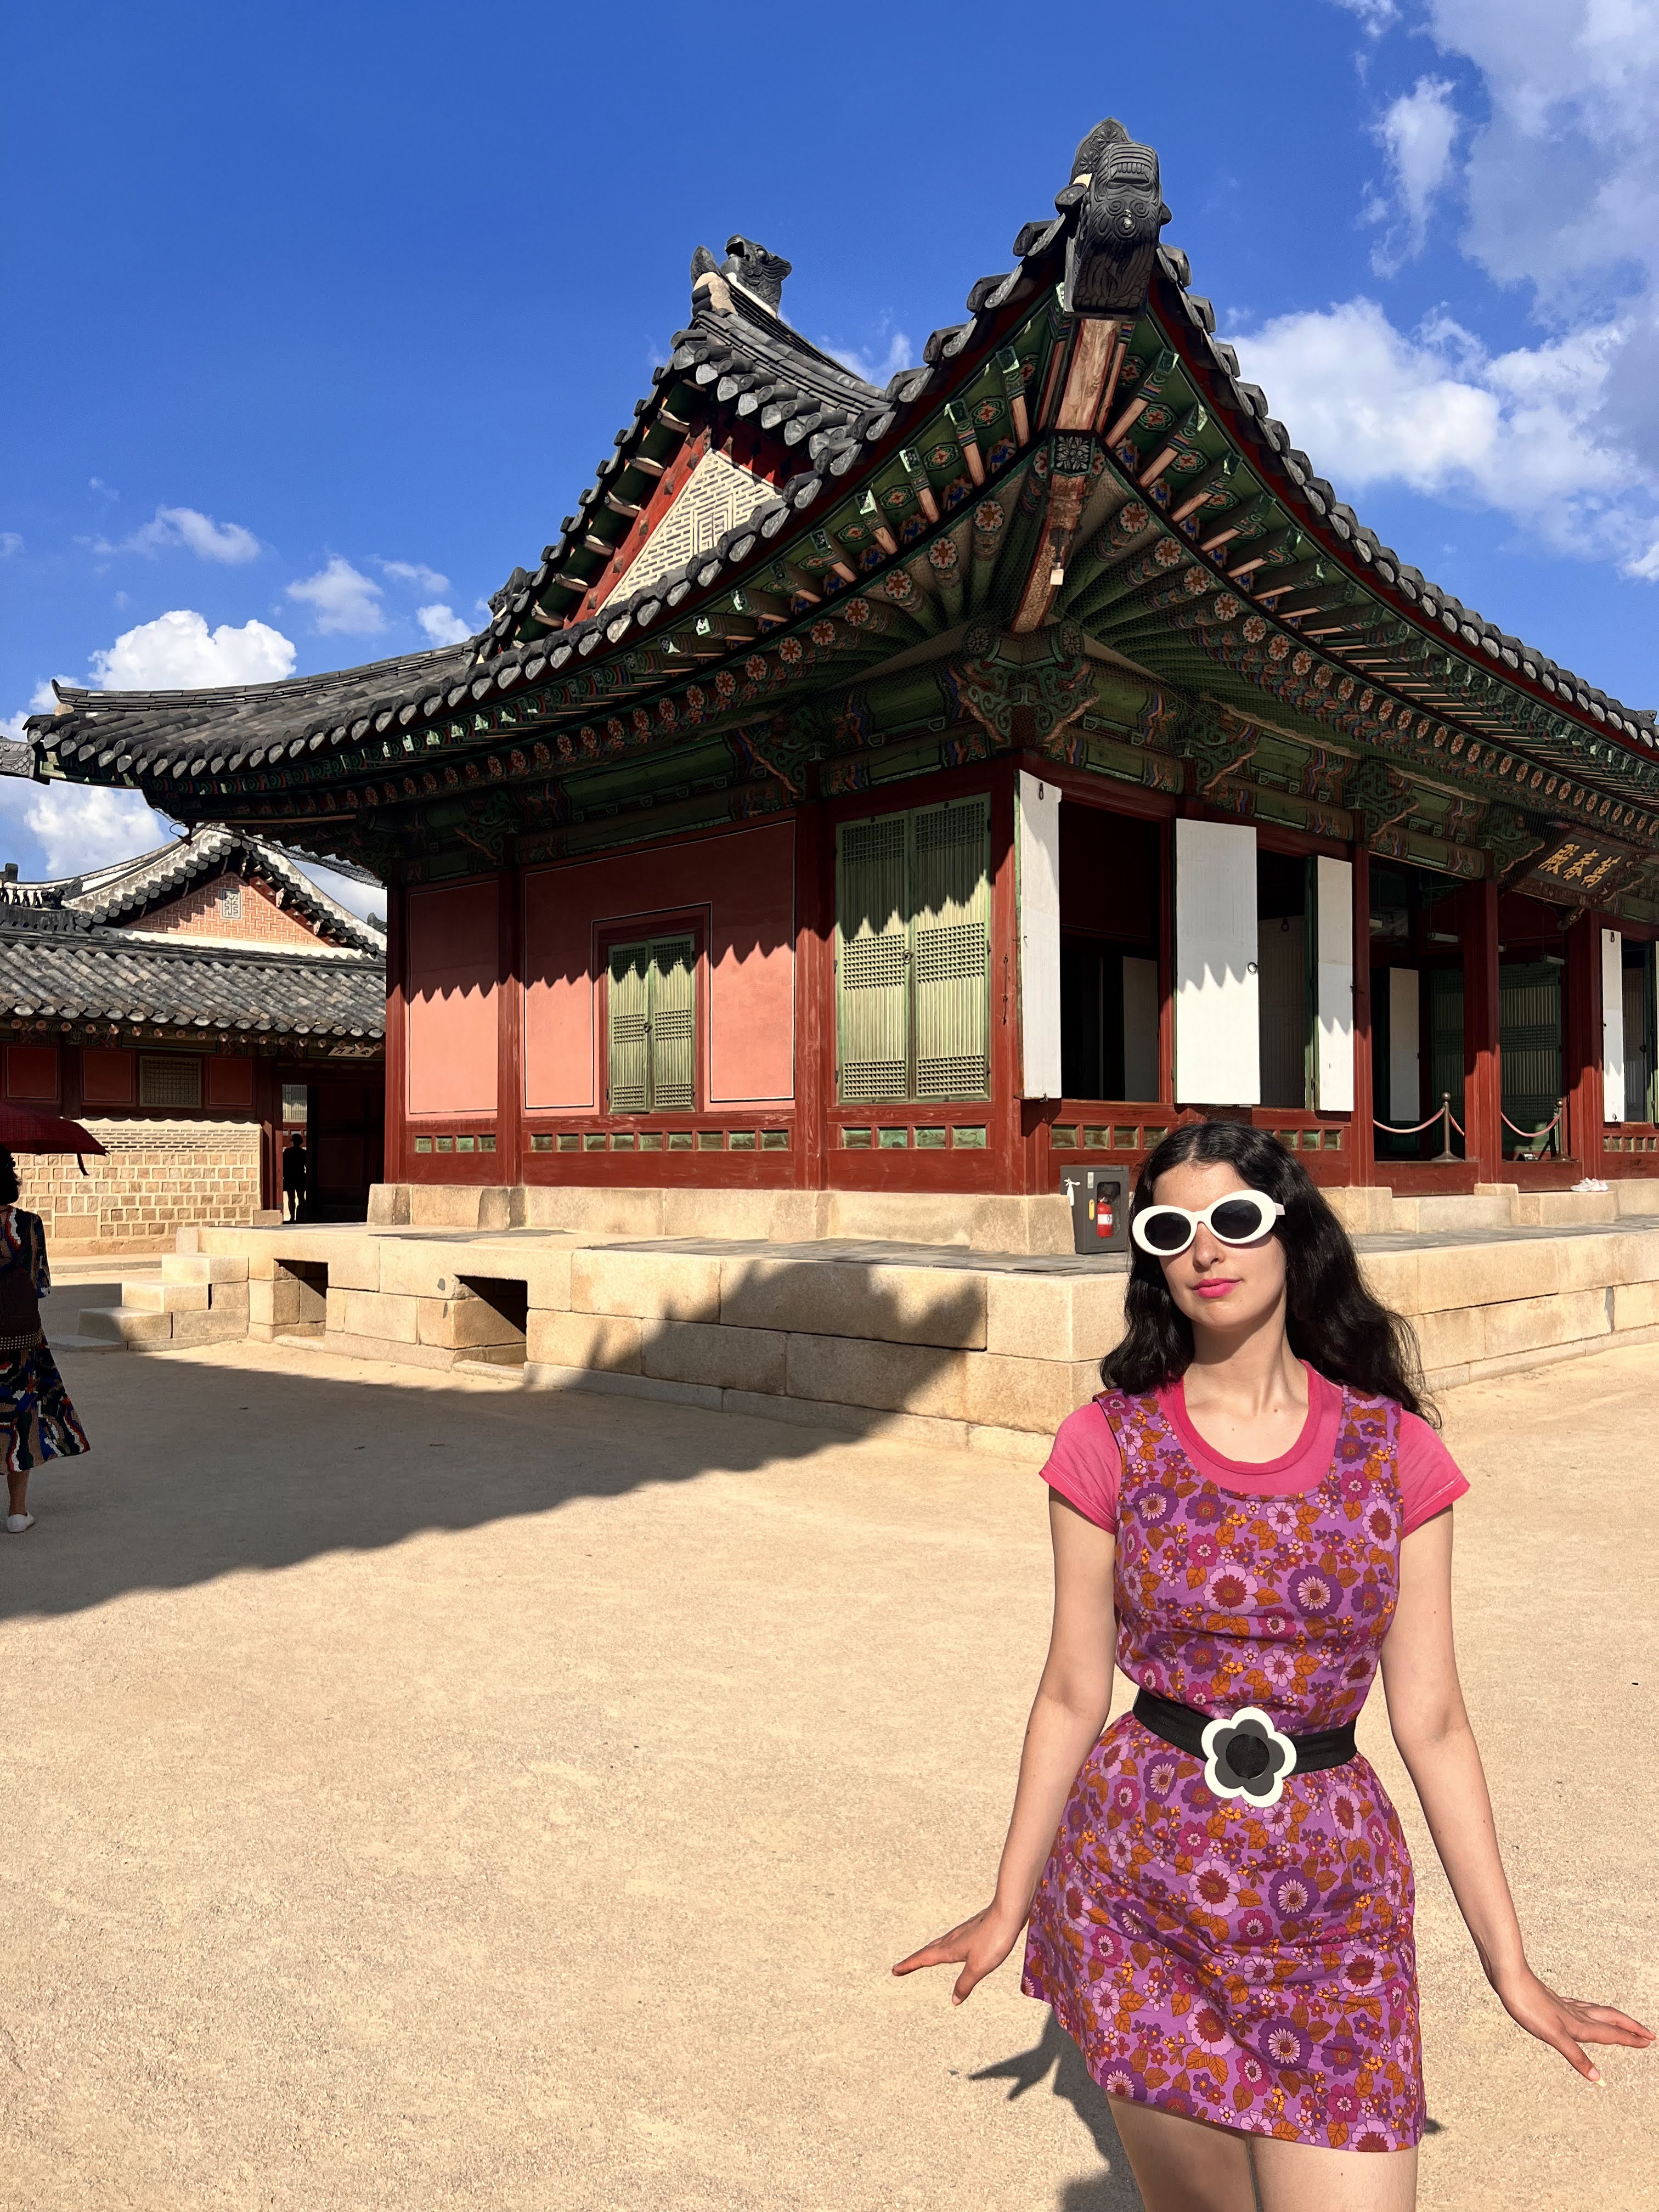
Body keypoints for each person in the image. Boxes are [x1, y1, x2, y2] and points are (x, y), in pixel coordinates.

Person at [895, 1120, 1650, 2210]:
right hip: (1140, 1886)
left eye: (1235, 1219)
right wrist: (1009, 1900)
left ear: (1294, 1234)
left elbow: (1432, 1720)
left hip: (1334, 1904)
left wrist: (1511, 1969)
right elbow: (1071, 1690)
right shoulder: (1106, 1442)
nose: (1204, 1250)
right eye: (1171, 1231)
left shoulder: (1396, 1452)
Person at [0, 1145, 90, 1533]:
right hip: (19, 1340)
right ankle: (17, 1513)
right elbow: (42, 1285)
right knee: (19, 1418)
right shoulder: (30, 1224)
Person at [281, 1133, 308, 1221]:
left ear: (292, 1141)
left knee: (291, 1198)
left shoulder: (287, 1152)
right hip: (300, 1176)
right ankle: (302, 1215)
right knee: (301, 1197)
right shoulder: (303, 1152)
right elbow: (307, 1165)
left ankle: (292, 1216)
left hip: (290, 1177)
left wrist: (283, 1175)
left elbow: (283, 1165)